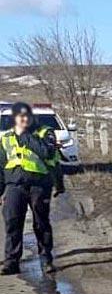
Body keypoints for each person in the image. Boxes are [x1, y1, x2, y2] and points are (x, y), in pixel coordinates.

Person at [0, 102, 58, 275]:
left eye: (27, 116)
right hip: (14, 186)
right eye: (20, 117)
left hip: (38, 185)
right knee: (12, 223)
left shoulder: (43, 133)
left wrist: (25, 136)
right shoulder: (6, 138)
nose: (24, 119)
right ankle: (11, 261)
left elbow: (47, 153)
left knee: (41, 223)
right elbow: (1, 166)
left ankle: (46, 258)